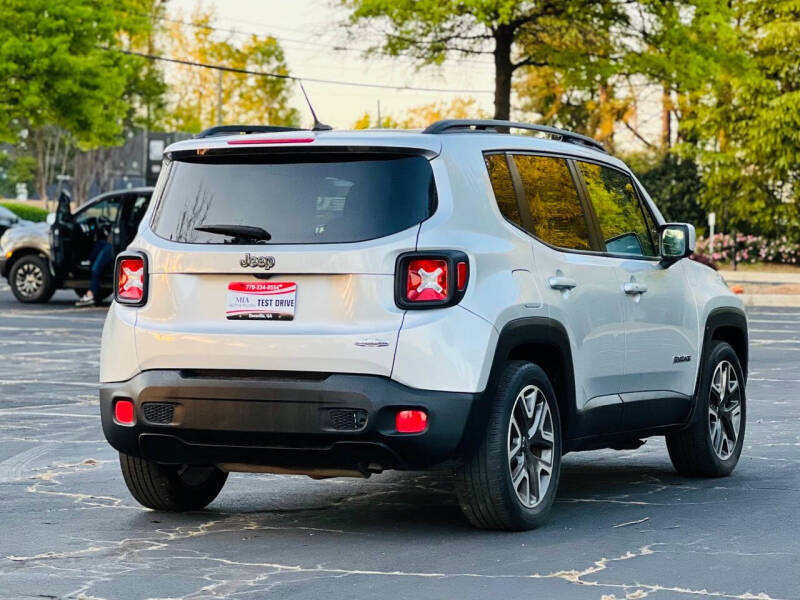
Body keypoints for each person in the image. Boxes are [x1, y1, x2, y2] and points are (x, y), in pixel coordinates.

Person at [75, 230, 114, 307]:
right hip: (113, 244)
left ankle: (90, 294)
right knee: (99, 243)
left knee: (96, 268)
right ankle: (89, 261)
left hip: (115, 246)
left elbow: (111, 239)